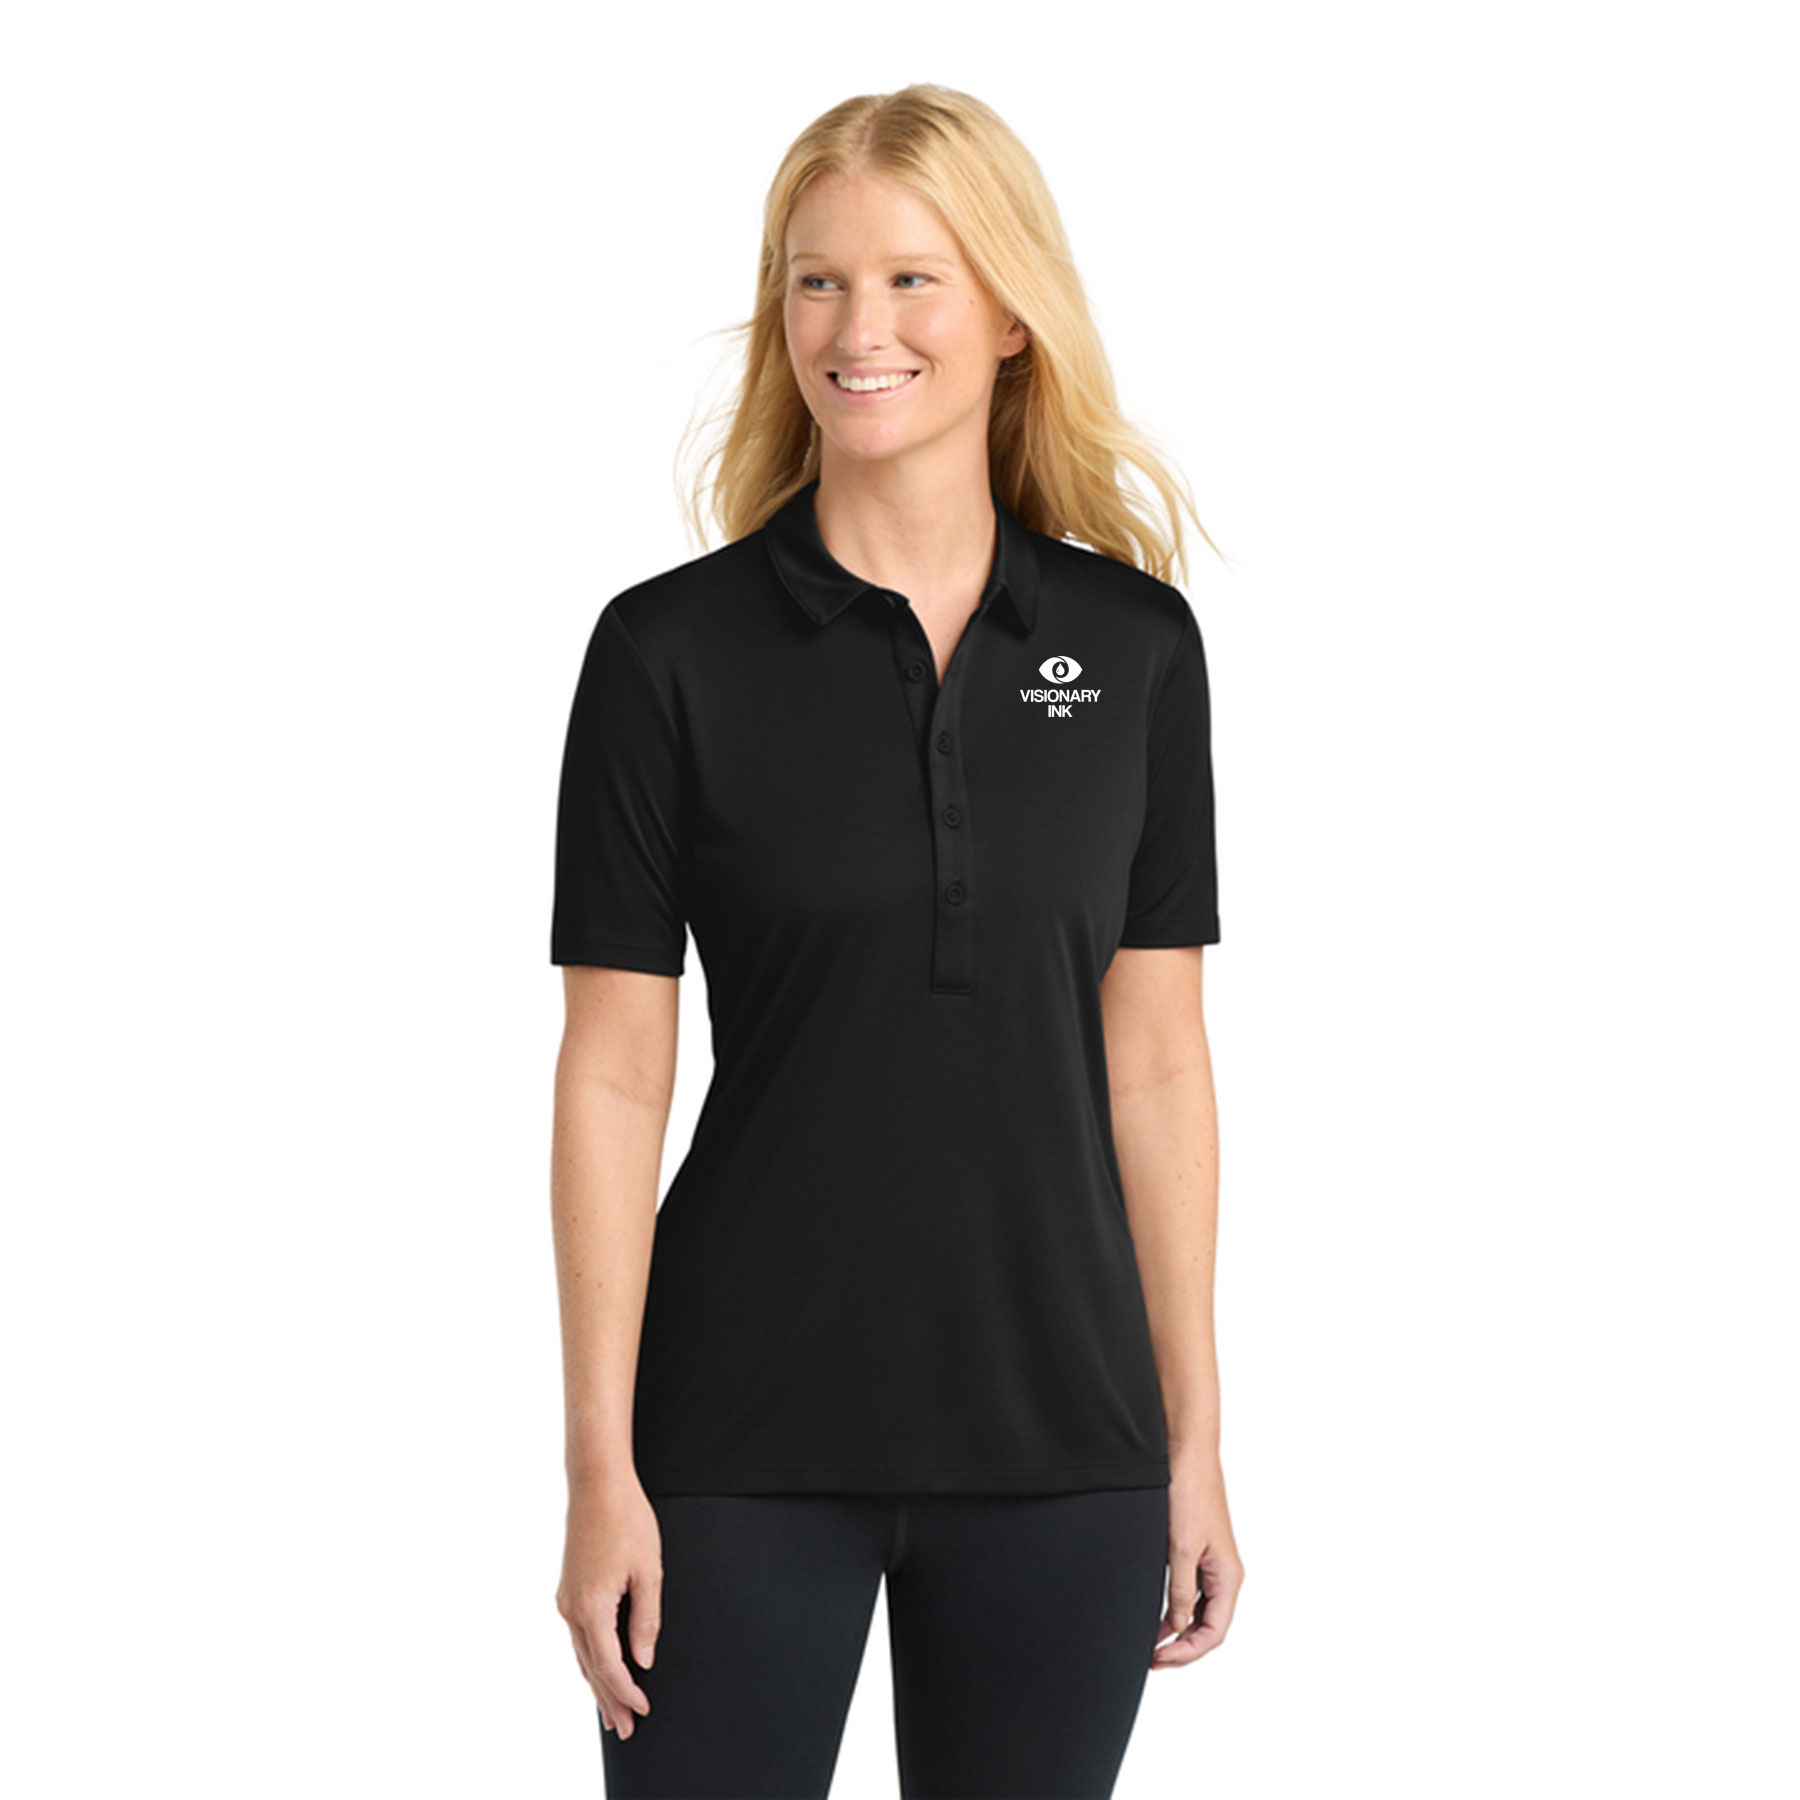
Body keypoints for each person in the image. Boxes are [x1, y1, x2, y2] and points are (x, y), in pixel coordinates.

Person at [549, 83, 1244, 1799]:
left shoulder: (1136, 651)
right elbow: (614, 1079)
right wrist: (596, 1468)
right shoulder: (666, 655)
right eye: (818, 282)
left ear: (1011, 314)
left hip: (1066, 1446)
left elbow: (1157, 1064)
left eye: (912, 280)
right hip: (731, 1444)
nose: (858, 331)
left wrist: (1196, 1441)